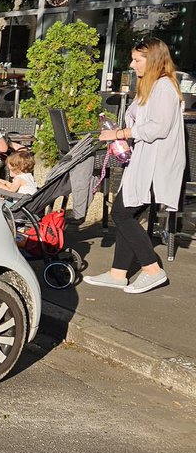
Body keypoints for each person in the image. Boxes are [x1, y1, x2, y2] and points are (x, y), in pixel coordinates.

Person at [84, 38, 186, 294]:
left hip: (154, 166)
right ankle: (118, 273)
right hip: (143, 162)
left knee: (121, 213)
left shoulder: (164, 87)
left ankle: (152, 270)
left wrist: (120, 134)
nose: (131, 64)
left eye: (137, 60)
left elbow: (158, 127)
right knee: (124, 214)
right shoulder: (150, 87)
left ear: (152, 60)